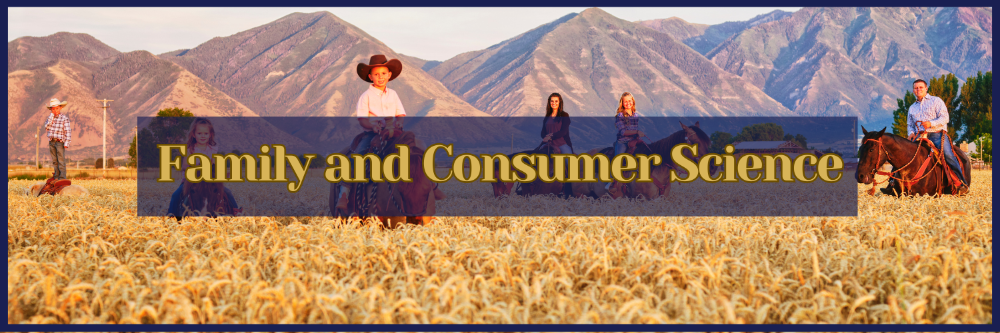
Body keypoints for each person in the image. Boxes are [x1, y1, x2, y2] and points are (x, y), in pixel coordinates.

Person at [335, 55, 407, 211]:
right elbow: (362, 119)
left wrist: (399, 123)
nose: (380, 77)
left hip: (393, 132)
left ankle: (428, 189)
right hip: (372, 134)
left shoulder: (393, 94)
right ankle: (344, 193)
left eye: (383, 73)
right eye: (376, 74)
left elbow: (400, 113)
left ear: (389, 75)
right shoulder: (365, 96)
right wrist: (373, 126)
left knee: (414, 151)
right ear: (370, 77)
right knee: (358, 157)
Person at [167, 118, 241, 219]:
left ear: (210, 134)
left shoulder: (212, 149)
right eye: (199, 133)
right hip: (191, 180)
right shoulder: (190, 149)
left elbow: (214, 165)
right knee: (176, 195)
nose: (203, 136)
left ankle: (236, 211)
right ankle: (170, 216)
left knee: (227, 192)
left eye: (206, 133)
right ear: (194, 134)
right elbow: (184, 166)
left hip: (208, 179)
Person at [905, 79, 969, 193]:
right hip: (918, 136)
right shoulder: (912, 108)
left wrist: (930, 123)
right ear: (913, 90)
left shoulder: (936, 101)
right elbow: (910, 124)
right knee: (903, 154)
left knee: (948, 155)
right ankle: (893, 183)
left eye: (921, 87)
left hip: (936, 134)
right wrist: (910, 133)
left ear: (926, 88)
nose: (918, 89)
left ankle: (961, 183)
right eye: (916, 88)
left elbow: (945, 118)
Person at [605, 92, 645, 197]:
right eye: (625, 101)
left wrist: (637, 136)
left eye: (629, 101)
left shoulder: (635, 114)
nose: (628, 103)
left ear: (633, 102)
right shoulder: (620, 115)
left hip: (633, 141)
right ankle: (611, 182)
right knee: (618, 159)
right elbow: (623, 132)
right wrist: (637, 132)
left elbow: (634, 129)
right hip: (622, 141)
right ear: (622, 103)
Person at [43, 98, 71, 180]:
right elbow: (47, 127)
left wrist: (67, 143)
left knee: (61, 161)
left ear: (60, 108)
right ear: (51, 110)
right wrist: (51, 116)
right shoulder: (50, 119)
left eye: (57, 108)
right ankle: (56, 176)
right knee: (55, 161)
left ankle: (62, 177)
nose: (55, 110)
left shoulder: (64, 118)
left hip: (59, 142)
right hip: (52, 142)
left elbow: (67, 131)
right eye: (53, 109)